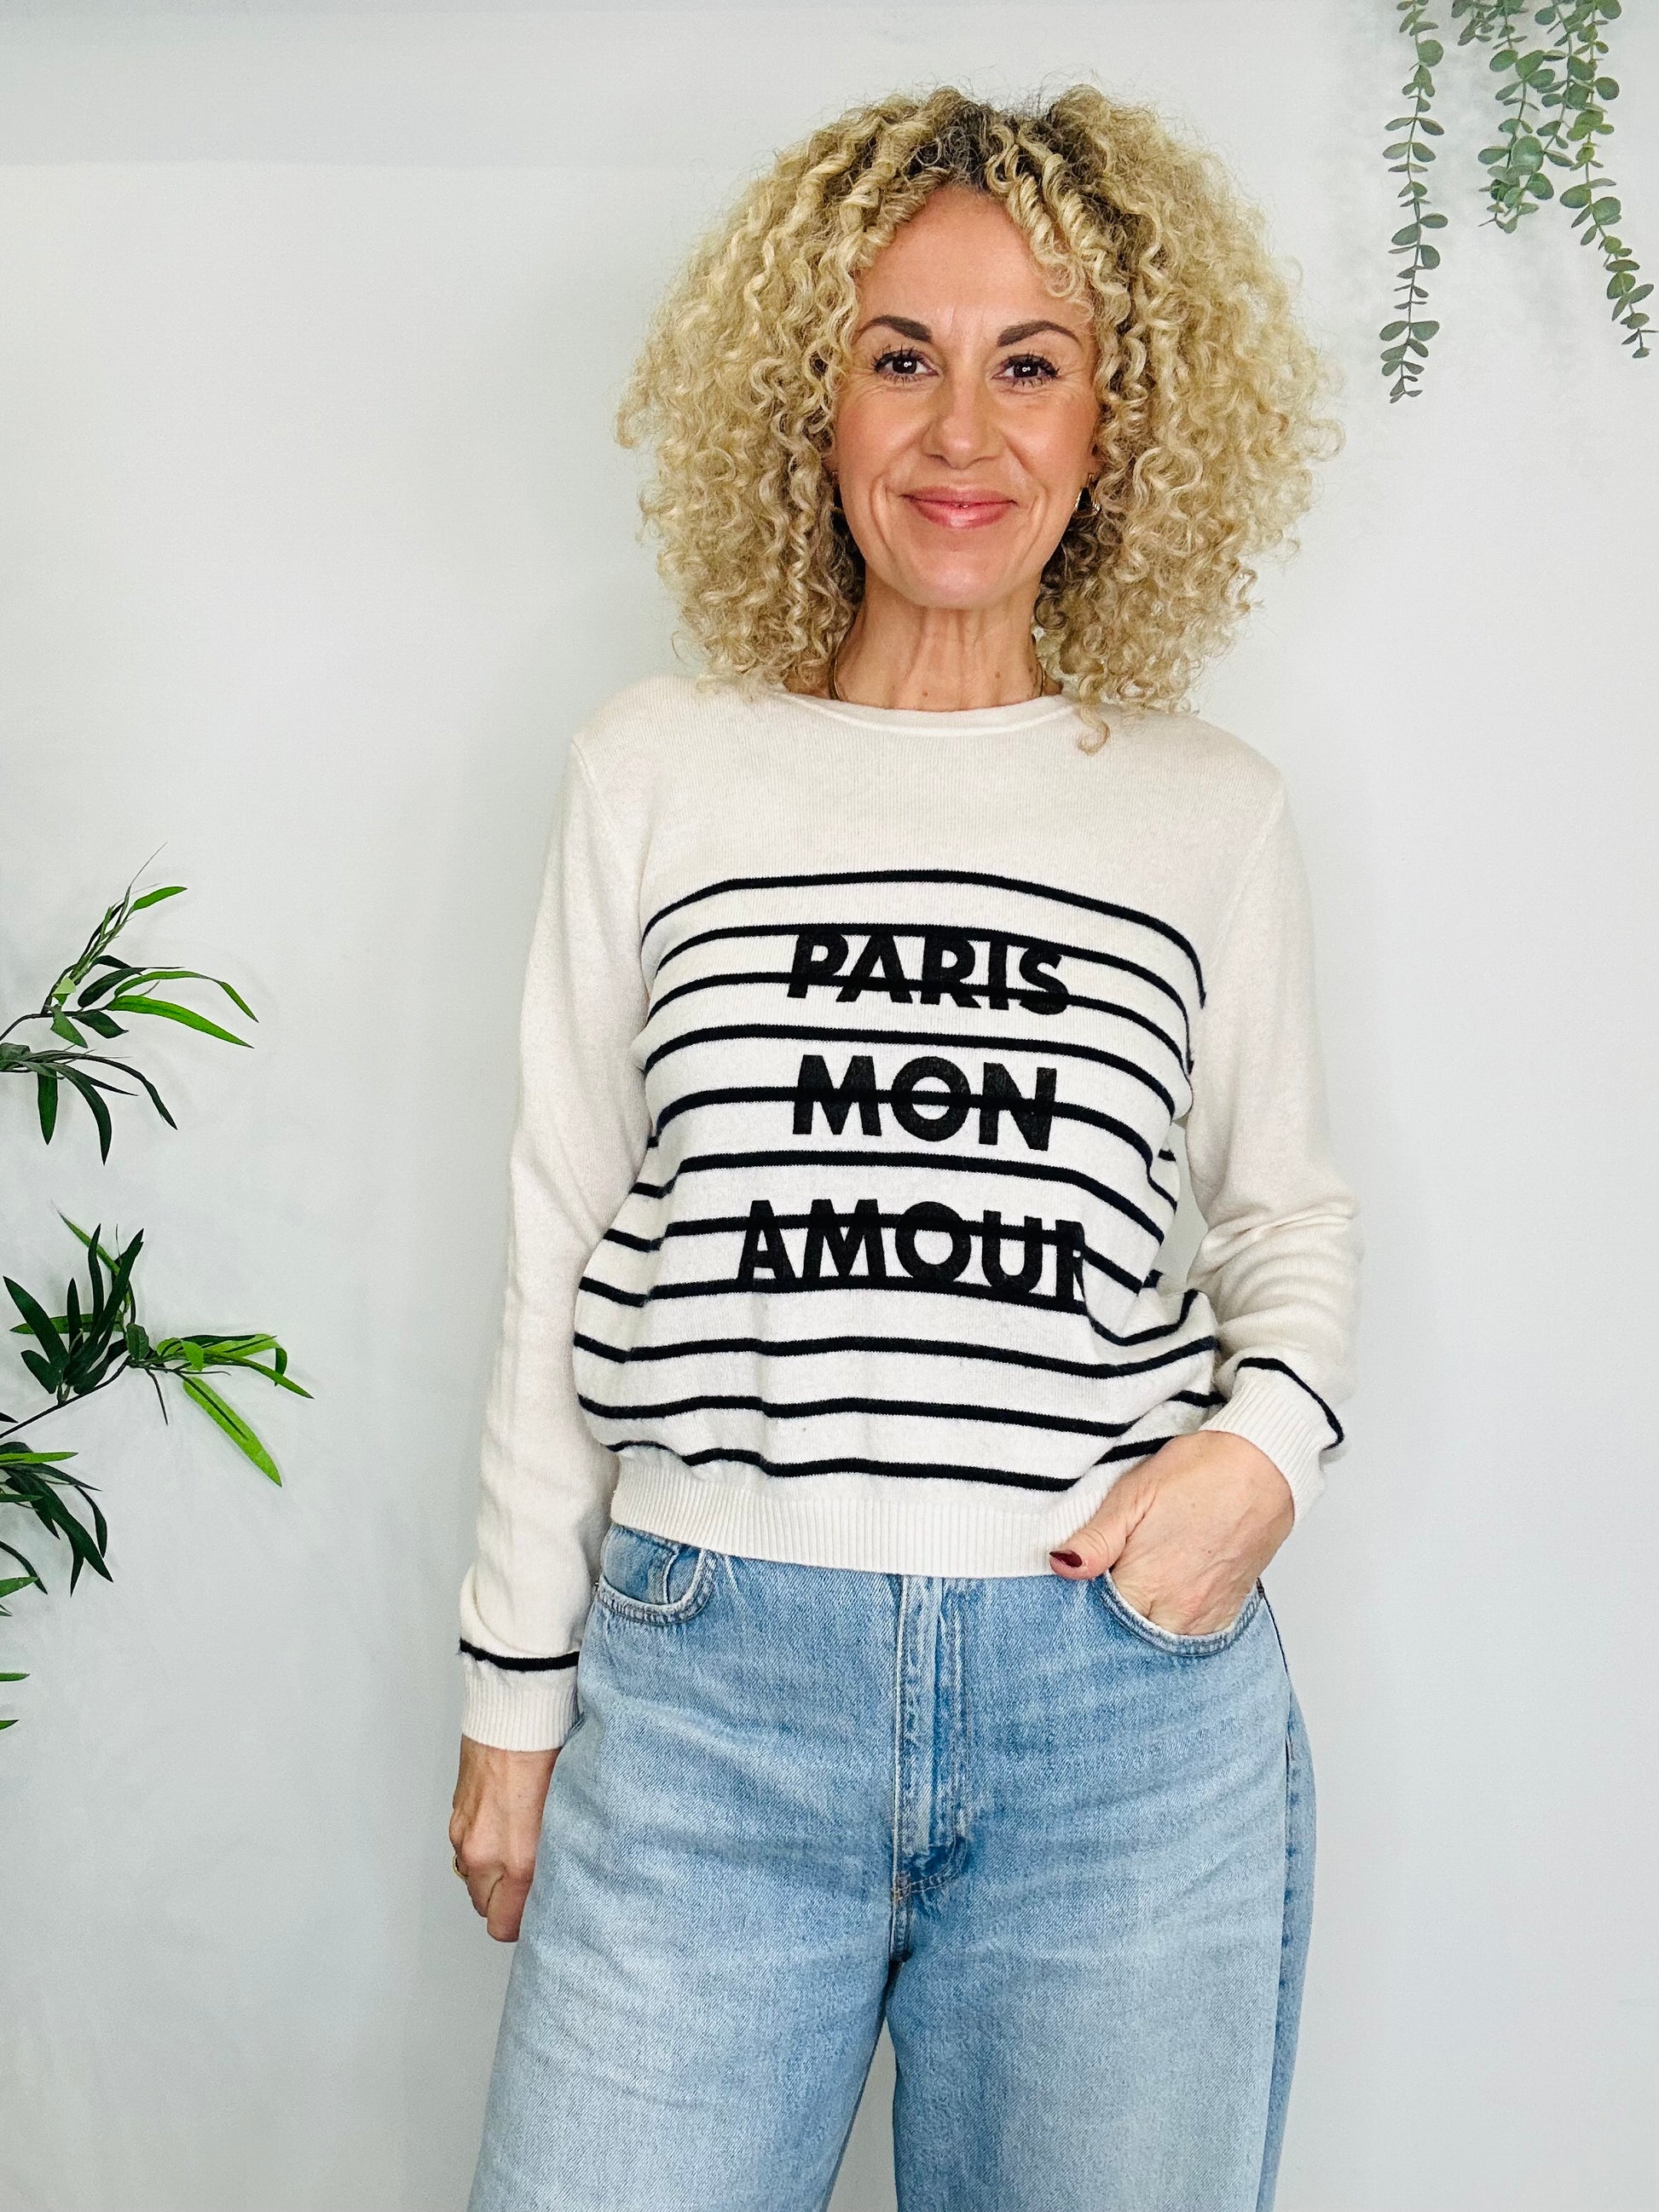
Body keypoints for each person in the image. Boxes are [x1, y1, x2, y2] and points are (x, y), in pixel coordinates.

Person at [450, 84, 1361, 2212]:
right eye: (899, 356)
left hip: (1117, 1720)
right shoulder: (659, 770)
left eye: (1030, 363)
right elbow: (560, 1230)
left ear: (1117, 423)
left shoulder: (1203, 810)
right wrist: (511, 1680)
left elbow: (1285, 1218)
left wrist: (1262, 1456)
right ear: (815, 400)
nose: (964, 430)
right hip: (706, 1692)